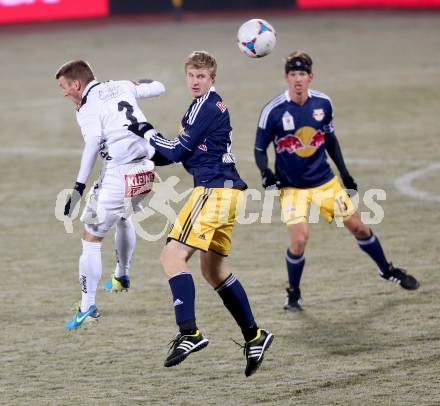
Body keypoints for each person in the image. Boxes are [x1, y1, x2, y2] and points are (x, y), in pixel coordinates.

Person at [254, 50, 419, 312]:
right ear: (286, 77)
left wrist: (344, 172)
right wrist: (265, 172)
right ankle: (293, 293)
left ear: (311, 77)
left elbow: (330, 140)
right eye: (293, 74)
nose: (298, 79)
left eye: (303, 74)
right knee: (299, 239)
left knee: (359, 227)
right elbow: (259, 149)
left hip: (324, 183)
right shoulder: (273, 111)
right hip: (292, 188)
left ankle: (387, 270)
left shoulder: (323, 104)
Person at [142, 51, 273, 376]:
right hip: (228, 192)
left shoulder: (205, 106)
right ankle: (255, 335)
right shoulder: (203, 107)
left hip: (212, 190)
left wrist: (142, 130)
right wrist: (143, 155)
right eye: (192, 76)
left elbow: (174, 151)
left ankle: (190, 332)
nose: (196, 81)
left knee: (171, 257)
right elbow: (177, 152)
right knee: (213, 271)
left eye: (202, 76)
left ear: (212, 78)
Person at [56, 60, 165, 329]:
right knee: (124, 217)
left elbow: (92, 144)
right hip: (147, 168)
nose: (64, 92)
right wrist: (137, 83)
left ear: (77, 85)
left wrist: (79, 186)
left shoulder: (86, 108)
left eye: (64, 87)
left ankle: (87, 307)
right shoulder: (120, 86)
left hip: (121, 172)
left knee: (91, 238)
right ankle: (121, 276)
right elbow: (159, 87)